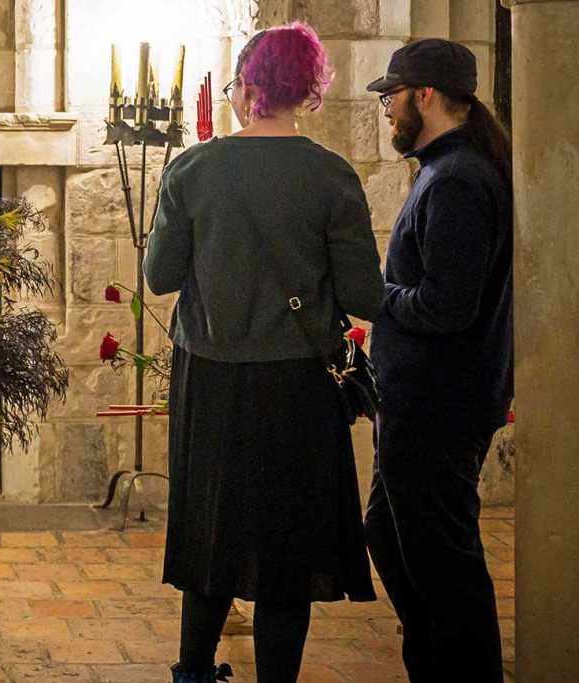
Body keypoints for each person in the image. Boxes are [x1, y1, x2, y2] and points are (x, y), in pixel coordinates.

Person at [144, 23, 384, 683]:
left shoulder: (192, 169)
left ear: (247, 87)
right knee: (289, 542)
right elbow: (366, 292)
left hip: (211, 376)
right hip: (300, 383)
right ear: (308, 91)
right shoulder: (333, 176)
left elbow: (160, 277)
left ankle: (194, 672)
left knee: (210, 526)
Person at [363, 39, 513, 682]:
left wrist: (376, 298)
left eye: (392, 96)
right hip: (421, 398)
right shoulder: (448, 168)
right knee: (392, 539)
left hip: (437, 404)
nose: (387, 110)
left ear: (423, 94)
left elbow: (448, 307)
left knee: (444, 565)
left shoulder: (456, 180)